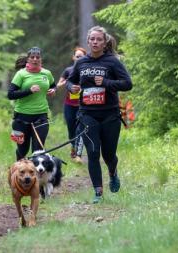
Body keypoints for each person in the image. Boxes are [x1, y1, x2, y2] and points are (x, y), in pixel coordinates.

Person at [67, 26, 132, 203]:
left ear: (104, 43)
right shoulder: (81, 63)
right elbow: (70, 81)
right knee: (93, 152)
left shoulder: (112, 62)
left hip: (110, 115)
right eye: (92, 39)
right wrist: (71, 87)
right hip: (88, 114)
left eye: (99, 39)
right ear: (88, 42)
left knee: (109, 155)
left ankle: (113, 173)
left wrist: (106, 82)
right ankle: (98, 192)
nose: (95, 42)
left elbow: (127, 83)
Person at [8, 47, 56, 160]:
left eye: (37, 57)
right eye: (32, 57)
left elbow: (53, 85)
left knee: (38, 151)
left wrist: (53, 90)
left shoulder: (47, 73)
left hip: (41, 116)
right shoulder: (21, 74)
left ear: (41, 59)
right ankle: (19, 170)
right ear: (28, 60)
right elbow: (10, 94)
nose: (35, 59)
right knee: (22, 150)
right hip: (21, 118)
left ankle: (36, 175)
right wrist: (29, 91)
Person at [56, 47, 87, 163]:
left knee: (80, 128)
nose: (79, 58)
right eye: (77, 56)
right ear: (73, 57)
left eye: (82, 56)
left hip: (82, 105)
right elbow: (59, 84)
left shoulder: (87, 70)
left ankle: (78, 154)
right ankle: (73, 147)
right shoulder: (68, 70)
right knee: (71, 128)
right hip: (69, 104)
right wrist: (66, 82)